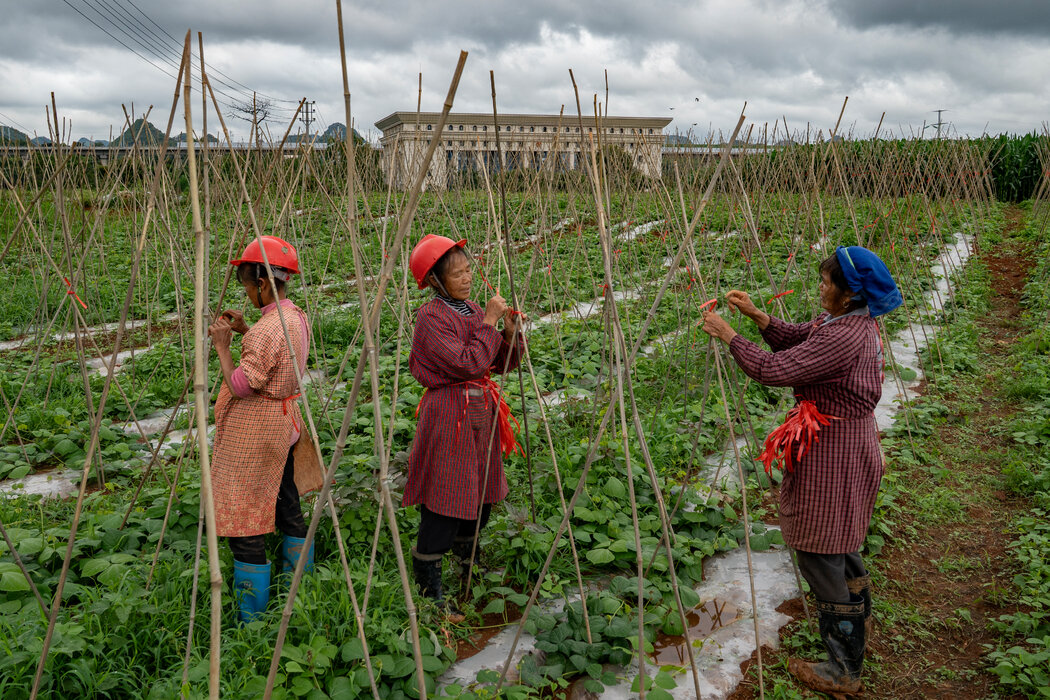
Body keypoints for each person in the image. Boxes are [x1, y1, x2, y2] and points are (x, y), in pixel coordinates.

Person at [700, 246, 902, 696]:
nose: (820, 288)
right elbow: (800, 341)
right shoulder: (847, 323)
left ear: (849, 293)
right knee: (840, 534)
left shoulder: (843, 335)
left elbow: (775, 369)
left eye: (827, 283)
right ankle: (857, 613)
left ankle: (844, 668)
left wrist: (730, 335)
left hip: (835, 451)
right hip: (845, 443)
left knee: (818, 547)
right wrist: (757, 316)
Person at [403, 234, 524, 621]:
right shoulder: (431, 318)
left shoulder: (472, 310)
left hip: (480, 413)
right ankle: (429, 587)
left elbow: (499, 364)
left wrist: (507, 332)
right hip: (449, 415)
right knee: (445, 498)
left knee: (481, 494)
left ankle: (466, 563)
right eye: (457, 274)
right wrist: (489, 322)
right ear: (435, 281)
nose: (467, 278)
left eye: (469, 269)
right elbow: (467, 364)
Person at [208, 235, 315, 624]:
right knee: (287, 500)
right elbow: (275, 354)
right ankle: (301, 586)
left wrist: (223, 345)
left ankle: (251, 619)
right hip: (284, 426)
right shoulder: (294, 318)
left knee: (245, 517)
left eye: (248, 287)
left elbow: (241, 384)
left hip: (256, 433)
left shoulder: (266, 331)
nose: (248, 293)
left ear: (264, 284)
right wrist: (244, 330)